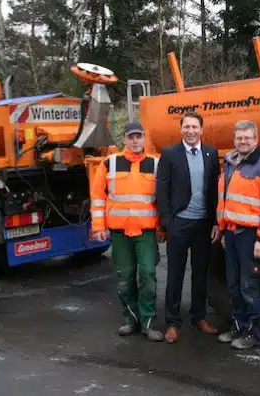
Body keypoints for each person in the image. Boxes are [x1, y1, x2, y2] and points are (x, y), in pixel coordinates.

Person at [89, 122, 165, 342]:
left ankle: (148, 323)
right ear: (124, 139)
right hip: (120, 233)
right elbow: (97, 197)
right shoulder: (109, 164)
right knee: (125, 278)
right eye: (131, 137)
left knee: (148, 276)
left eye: (138, 137)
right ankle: (131, 320)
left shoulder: (155, 164)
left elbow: (161, 200)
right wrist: (98, 227)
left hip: (146, 233)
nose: (135, 141)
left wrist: (161, 229)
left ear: (144, 139)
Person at [155, 111, 221, 343]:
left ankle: (198, 317)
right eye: (187, 127)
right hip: (179, 223)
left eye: (195, 127)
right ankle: (173, 322)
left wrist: (215, 221)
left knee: (200, 273)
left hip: (203, 223)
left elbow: (214, 190)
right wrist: (167, 222)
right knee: (175, 274)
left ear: (202, 130)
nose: (191, 131)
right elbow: (161, 190)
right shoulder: (170, 153)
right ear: (181, 129)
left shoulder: (211, 153)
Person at [216, 120, 260, 349]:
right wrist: (223, 229)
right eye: (239, 138)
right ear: (234, 140)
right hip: (231, 234)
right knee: (233, 286)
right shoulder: (230, 163)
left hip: (251, 236)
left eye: (248, 138)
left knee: (250, 286)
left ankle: (254, 333)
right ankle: (238, 327)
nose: (243, 142)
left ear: (256, 140)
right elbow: (224, 199)